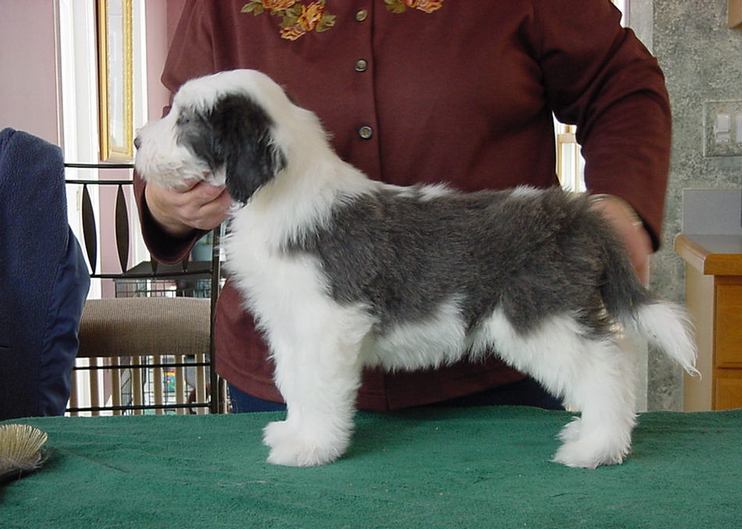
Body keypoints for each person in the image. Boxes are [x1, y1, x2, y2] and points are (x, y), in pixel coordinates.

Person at [135, 0, 671, 413]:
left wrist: (623, 201)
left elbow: (619, 83)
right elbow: (179, 129)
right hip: (288, 373)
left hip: (497, 351)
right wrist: (167, 201)